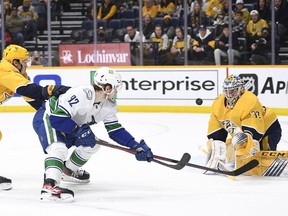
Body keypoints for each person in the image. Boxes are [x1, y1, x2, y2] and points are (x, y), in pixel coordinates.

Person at [32, 66, 154, 202]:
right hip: (48, 117)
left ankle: (67, 171)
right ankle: (50, 184)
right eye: (115, 87)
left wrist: (135, 145)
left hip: (70, 123)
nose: (116, 91)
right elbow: (56, 118)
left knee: (92, 145)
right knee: (58, 148)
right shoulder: (82, 93)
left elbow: (115, 130)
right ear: (107, 88)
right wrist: (78, 131)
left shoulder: (109, 105)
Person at [0, 44, 70, 190]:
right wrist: (50, 90)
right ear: (15, 62)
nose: (27, 64)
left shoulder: (19, 75)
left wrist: (54, 112)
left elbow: (34, 100)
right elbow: (26, 89)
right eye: (24, 61)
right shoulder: (4, 69)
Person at [204, 74, 282, 171]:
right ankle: (232, 160)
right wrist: (215, 146)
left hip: (269, 128)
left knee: (262, 157)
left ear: (240, 89)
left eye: (232, 91)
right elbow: (215, 131)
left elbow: (254, 130)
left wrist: (250, 147)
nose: (229, 95)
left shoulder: (250, 101)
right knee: (228, 143)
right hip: (245, 130)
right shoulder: (217, 104)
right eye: (226, 91)